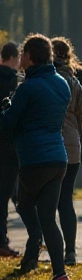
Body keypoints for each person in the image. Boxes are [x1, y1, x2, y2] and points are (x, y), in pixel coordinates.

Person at [0, 35, 72, 280]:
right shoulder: (62, 83)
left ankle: (36, 238)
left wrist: (5, 109)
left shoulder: (28, 87)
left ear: (30, 56)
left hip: (33, 157)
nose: (20, 57)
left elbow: (8, 124)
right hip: (58, 159)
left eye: (23, 53)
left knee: (23, 203)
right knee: (48, 216)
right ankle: (60, 274)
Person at [49, 40, 82, 264]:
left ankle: (40, 247)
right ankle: (70, 250)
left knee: (45, 200)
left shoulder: (40, 79)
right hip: (71, 145)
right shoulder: (74, 81)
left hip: (46, 144)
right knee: (66, 200)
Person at [0, 42, 22, 257]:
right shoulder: (15, 82)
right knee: (7, 193)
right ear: (14, 58)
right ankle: (2, 239)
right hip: (8, 146)